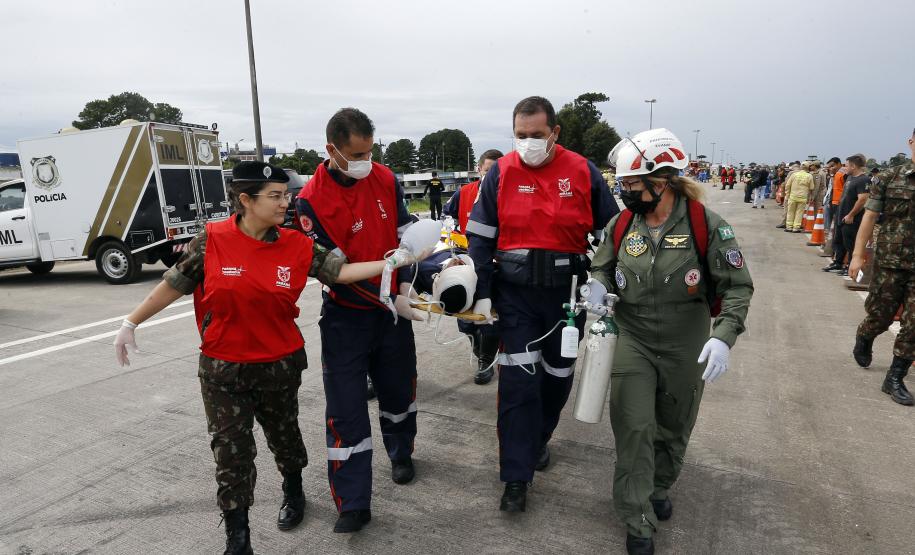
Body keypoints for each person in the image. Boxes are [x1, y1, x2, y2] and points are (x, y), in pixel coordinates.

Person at [112, 161, 416, 554]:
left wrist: (391, 262)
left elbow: (338, 272)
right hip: (222, 369)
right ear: (244, 200)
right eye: (275, 196)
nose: (285, 203)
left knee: (285, 441)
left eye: (286, 194)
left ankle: (293, 488)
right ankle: (238, 541)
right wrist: (130, 322)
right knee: (230, 454)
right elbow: (174, 284)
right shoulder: (211, 240)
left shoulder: (297, 243)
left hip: (278, 365)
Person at [589, 128, 753, 555]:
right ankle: (636, 517)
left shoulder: (706, 225)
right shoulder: (622, 224)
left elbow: (737, 286)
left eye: (632, 185)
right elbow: (602, 269)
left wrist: (724, 336)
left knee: (675, 426)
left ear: (661, 181)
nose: (625, 193)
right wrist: (595, 287)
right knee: (635, 428)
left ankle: (660, 484)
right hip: (633, 339)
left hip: (688, 343)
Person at [465, 96, 618, 512]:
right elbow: (479, 237)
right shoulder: (500, 173)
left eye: (536, 135)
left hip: (567, 299)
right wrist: (480, 294)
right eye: (520, 135)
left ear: (555, 132)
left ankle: (540, 437)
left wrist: (605, 282)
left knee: (556, 377)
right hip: (514, 298)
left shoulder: (583, 172)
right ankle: (516, 478)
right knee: (518, 384)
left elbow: (614, 234)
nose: (528, 142)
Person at [294, 108, 427, 534]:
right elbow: (335, 271)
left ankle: (401, 451)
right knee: (347, 411)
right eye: (357, 154)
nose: (366, 161)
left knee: (398, 391)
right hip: (347, 318)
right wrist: (390, 292)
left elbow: (407, 234)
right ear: (331, 149)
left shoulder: (385, 179)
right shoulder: (310, 201)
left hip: (391, 315)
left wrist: (409, 284)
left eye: (371, 151)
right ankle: (352, 502)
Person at [849, 134, 915, 405]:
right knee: (880, 316)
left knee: (913, 324)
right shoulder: (890, 177)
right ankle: (865, 335)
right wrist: (857, 255)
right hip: (891, 262)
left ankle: (895, 376)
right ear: (911, 141)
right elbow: (871, 216)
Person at [441, 148, 504, 384]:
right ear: (479, 170)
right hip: (466, 262)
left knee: (489, 318)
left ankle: (485, 361)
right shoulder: (464, 193)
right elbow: (448, 216)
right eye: (488, 171)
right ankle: (479, 348)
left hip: (495, 266)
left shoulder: (507, 195)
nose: (492, 176)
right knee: (465, 319)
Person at [824, 154, 869, 275]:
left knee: (850, 243)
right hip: (841, 214)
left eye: (847, 165)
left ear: (853, 166)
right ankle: (838, 262)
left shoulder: (863, 180)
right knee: (839, 241)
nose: (845, 167)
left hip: (851, 218)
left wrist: (851, 215)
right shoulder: (849, 177)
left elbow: (863, 199)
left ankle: (849, 265)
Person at [782, 161, 815, 232]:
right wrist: (810, 197)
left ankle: (789, 227)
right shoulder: (809, 176)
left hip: (792, 197)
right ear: (808, 168)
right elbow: (811, 188)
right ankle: (796, 228)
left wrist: (787, 195)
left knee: (790, 212)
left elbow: (787, 185)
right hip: (803, 198)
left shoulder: (794, 175)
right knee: (799, 213)